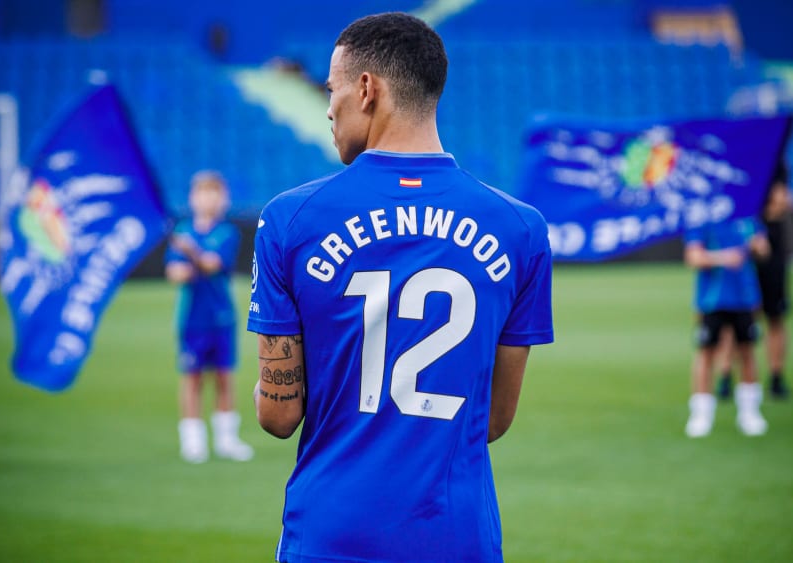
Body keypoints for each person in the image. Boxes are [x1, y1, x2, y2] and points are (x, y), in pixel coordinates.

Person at [247, 13, 554, 562]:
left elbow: (278, 416)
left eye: (332, 89)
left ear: (367, 89)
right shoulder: (520, 228)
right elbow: (492, 419)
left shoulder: (290, 220)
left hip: (333, 536)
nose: (328, 107)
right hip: (457, 537)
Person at [165, 171, 254, 463]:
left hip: (221, 317)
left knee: (224, 377)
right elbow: (174, 272)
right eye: (203, 193)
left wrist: (190, 253)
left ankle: (227, 439)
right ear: (192, 198)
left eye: (215, 193)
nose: (209, 200)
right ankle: (193, 440)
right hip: (191, 319)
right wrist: (189, 263)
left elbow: (212, 264)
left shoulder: (226, 233)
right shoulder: (183, 230)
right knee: (192, 379)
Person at [684, 217, 770, 438]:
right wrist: (722, 258)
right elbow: (693, 257)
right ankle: (701, 413)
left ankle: (749, 412)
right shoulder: (703, 217)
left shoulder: (748, 217)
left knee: (747, 351)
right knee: (706, 353)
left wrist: (757, 246)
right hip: (712, 300)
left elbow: (764, 251)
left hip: (745, 298)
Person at [715, 161, 793, 400]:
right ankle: (726, 375)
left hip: (770, 249)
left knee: (774, 315)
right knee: (731, 316)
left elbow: (780, 205)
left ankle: (776, 376)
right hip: (736, 247)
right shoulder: (732, 160)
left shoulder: (774, 160)